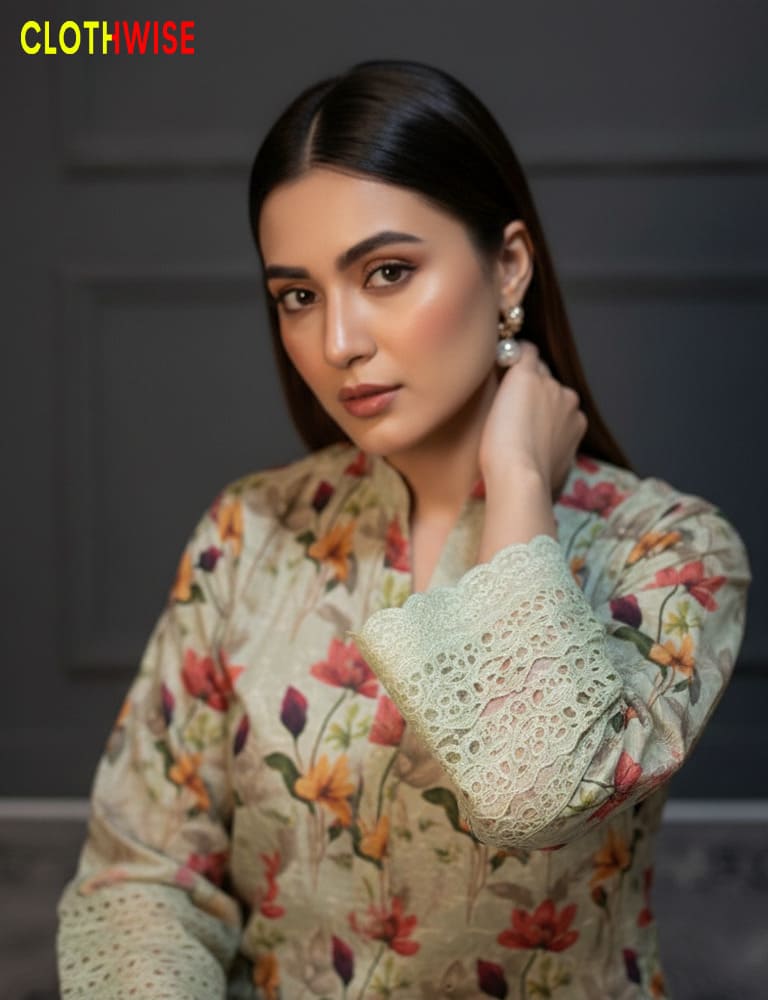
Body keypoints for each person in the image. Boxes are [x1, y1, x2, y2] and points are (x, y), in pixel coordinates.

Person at [57, 59, 751, 1000]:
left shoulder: (672, 551)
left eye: (387, 272)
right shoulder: (249, 534)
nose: (337, 339)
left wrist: (515, 482)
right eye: (297, 294)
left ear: (509, 265)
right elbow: (140, 876)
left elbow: (531, 787)